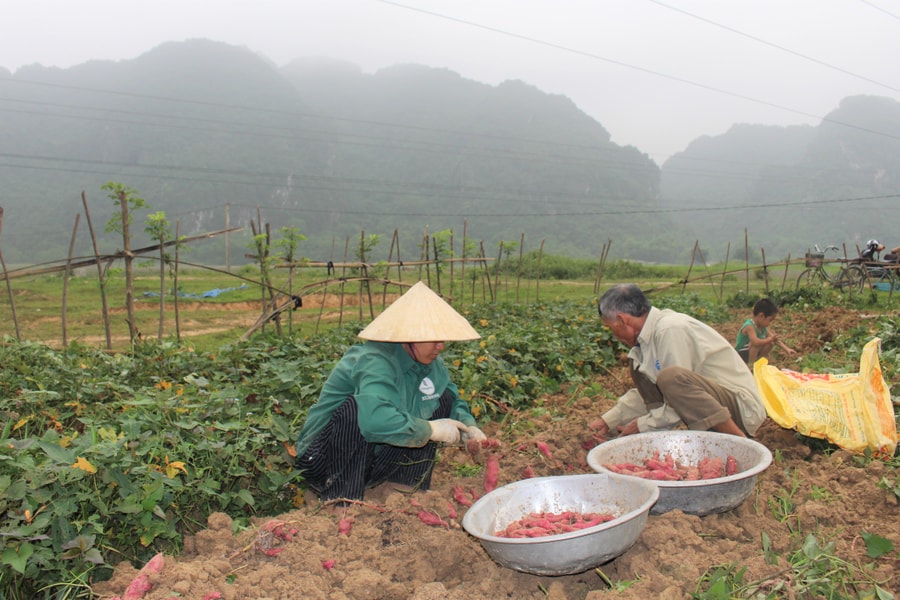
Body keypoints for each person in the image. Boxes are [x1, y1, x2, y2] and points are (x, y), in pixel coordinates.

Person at [294, 281, 486, 503]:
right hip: (323, 460)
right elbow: (374, 420)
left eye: (442, 339)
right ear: (408, 336)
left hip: (375, 459)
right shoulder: (375, 360)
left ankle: (405, 487)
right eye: (433, 339)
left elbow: (451, 400)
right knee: (358, 410)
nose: (440, 346)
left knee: (440, 398)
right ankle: (341, 500)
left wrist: (468, 426)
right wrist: (431, 429)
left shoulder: (431, 363)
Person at [590, 284, 766, 439]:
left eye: (610, 328)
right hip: (714, 402)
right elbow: (651, 393)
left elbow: (675, 387)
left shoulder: (670, 329)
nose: (613, 335)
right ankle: (657, 436)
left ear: (622, 320)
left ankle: (739, 442)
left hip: (741, 409)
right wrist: (609, 421)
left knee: (670, 378)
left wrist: (642, 425)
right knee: (639, 369)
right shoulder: (646, 339)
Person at [735, 298, 796, 367]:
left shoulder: (762, 327)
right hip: (740, 356)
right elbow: (755, 342)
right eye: (770, 320)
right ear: (761, 316)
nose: (770, 323)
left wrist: (787, 349)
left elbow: (775, 340)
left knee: (770, 343)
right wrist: (770, 339)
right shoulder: (750, 326)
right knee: (758, 343)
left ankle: (759, 362)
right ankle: (750, 366)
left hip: (750, 352)